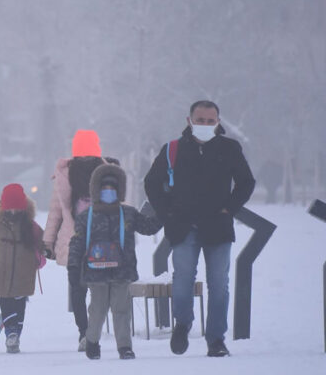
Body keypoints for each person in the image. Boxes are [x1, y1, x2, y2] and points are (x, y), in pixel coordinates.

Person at [145, 100, 255, 357]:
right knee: (183, 278)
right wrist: (167, 214)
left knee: (219, 283)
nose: (205, 125)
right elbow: (152, 183)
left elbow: (246, 182)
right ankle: (182, 324)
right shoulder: (173, 149)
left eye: (210, 121)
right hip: (183, 226)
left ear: (217, 122)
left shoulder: (229, 148)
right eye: (200, 120)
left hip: (218, 226)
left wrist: (230, 208)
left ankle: (216, 339)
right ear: (189, 120)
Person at [68, 164, 161, 360]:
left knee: (122, 309)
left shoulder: (128, 214)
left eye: (112, 189)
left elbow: (148, 227)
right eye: (104, 189)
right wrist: (73, 266)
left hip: (122, 271)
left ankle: (124, 346)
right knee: (98, 309)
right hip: (96, 272)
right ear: (96, 190)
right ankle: (92, 341)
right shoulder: (87, 217)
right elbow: (77, 242)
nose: (108, 193)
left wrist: (163, 211)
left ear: (119, 191)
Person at [43, 129, 119, 352]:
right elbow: (56, 211)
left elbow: (119, 209)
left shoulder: (108, 172)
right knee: (78, 289)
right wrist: (47, 242)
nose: (85, 157)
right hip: (74, 240)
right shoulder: (65, 175)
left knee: (96, 291)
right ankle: (84, 332)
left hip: (101, 241)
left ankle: (90, 332)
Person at [0, 184, 45, 354]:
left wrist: (39, 259)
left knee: (19, 306)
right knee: (6, 305)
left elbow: (42, 245)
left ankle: (16, 333)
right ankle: (11, 334)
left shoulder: (31, 227)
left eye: (17, 208)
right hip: (0, 273)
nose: (14, 212)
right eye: (11, 208)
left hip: (23, 274)